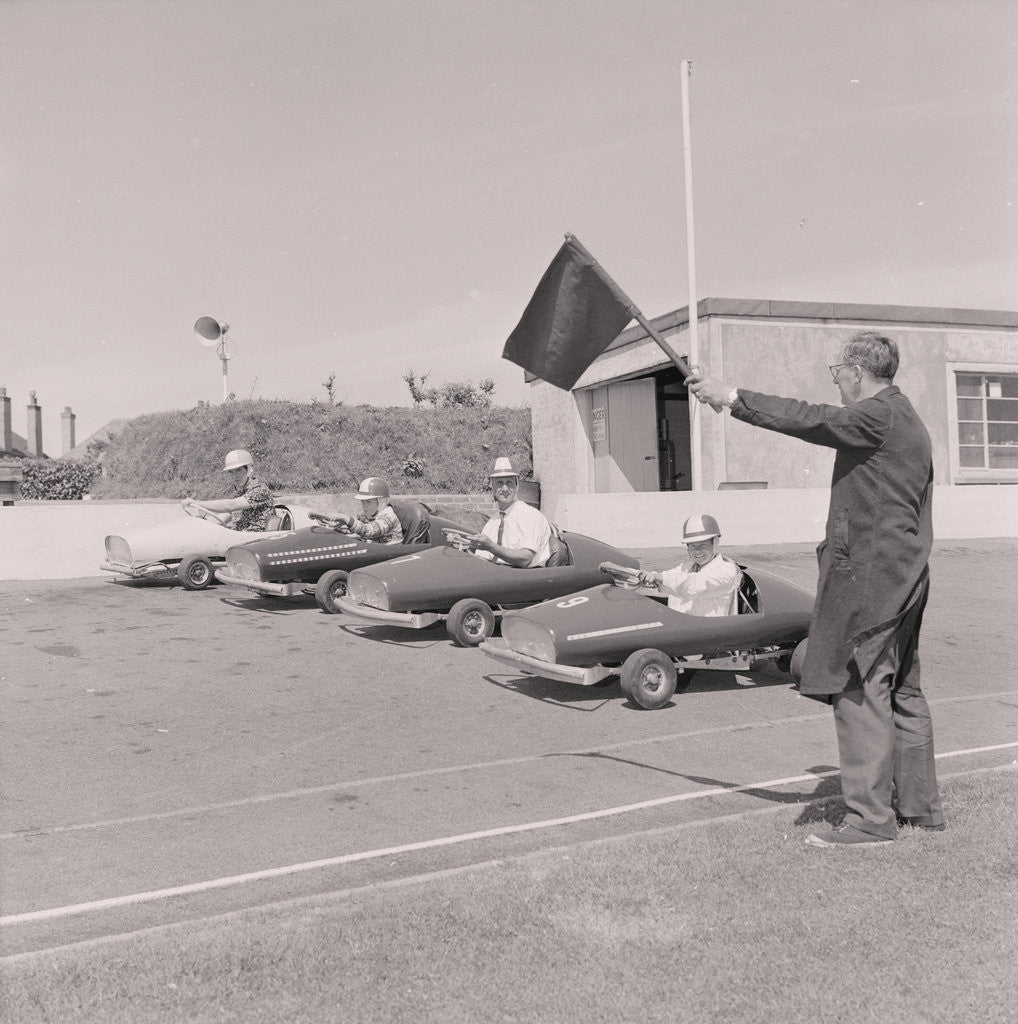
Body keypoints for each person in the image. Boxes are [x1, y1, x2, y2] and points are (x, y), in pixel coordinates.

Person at [687, 330, 943, 848]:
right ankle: (921, 809)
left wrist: (731, 397)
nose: (837, 384)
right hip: (905, 576)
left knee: (859, 687)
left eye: (836, 374)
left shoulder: (877, 415)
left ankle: (870, 821)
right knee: (903, 691)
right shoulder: (906, 416)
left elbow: (812, 418)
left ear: (855, 373)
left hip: (872, 580)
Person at [446, 456, 552, 567]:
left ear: (517, 485)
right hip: (498, 576)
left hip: (527, 578)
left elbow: (525, 559)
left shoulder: (530, 515)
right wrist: (462, 547)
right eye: (500, 483)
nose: (505, 489)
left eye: (509, 483)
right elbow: (483, 560)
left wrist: (491, 546)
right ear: (492, 486)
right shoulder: (492, 523)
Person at [640, 514, 741, 616]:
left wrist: (660, 578)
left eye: (702, 545)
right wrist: (637, 579)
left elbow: (695, 585)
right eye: (692, 546)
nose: (697, 551)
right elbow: (664, 580)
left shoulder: (726, 570)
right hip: (679, 625)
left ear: (714, 543)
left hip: (708, 629)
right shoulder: (685, 567)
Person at [181, 448, 275, 531]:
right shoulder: (239, 495)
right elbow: (222, 518)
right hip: (239, 541)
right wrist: (201, 520)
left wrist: (198, 503)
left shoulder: (260, 490)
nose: (235, 476)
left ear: (249, 469)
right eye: (231, 472)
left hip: (256, 543)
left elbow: (231, 505)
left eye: (239, 470)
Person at [322, 477, 403, 544]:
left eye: (368, 502)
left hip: (392, 555)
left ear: (381, 501)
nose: (364, 506)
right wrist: (335, 527)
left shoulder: (388, 517)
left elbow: (369, 531)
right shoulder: (368, 514)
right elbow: (356, 530)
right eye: (362, 502)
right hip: (374, 551)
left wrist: (346, 519)